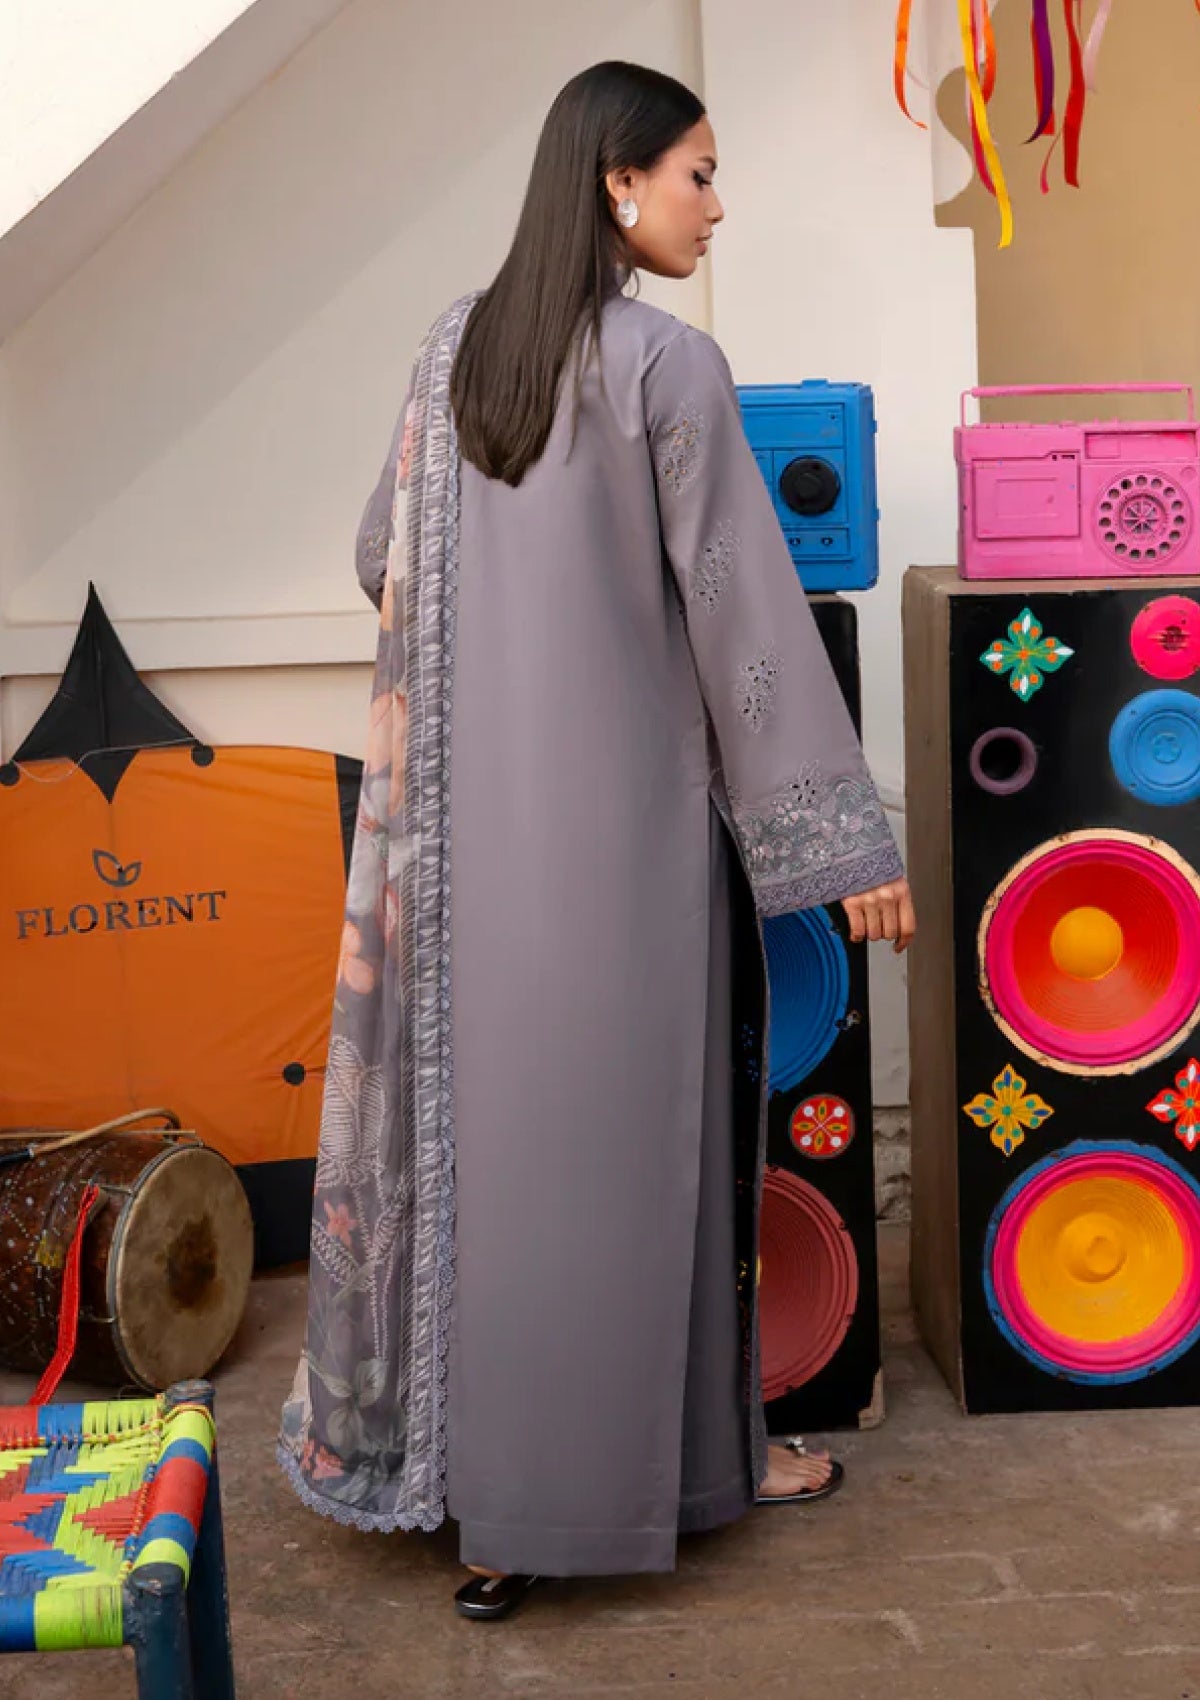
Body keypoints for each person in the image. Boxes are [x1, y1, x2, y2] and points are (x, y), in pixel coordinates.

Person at [279, 59, 916, 1622]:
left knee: (504, 1177)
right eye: (699, 172)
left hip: (460, 864)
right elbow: (745, 618)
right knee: (644, 1165)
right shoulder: (667, 365)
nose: (717, 204)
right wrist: (844, 844)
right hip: (623, 850)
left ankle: (571, 1492)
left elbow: (377, 553)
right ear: (618, 183)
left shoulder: (456, 352)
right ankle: (597, 1493)